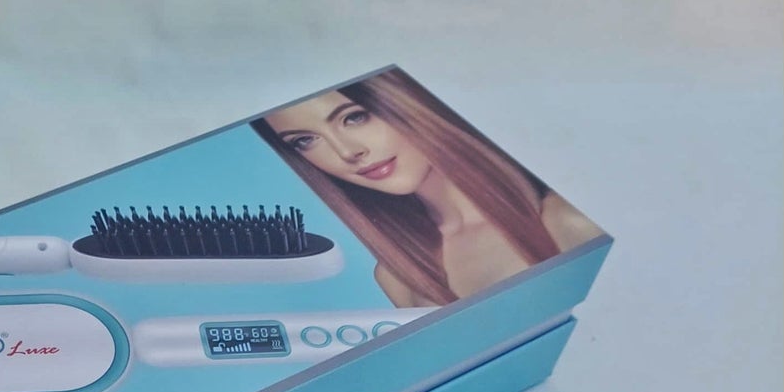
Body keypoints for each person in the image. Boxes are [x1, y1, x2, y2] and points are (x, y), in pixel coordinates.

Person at [254, 69, 603, 306]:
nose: (346, 152)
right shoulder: (399, 277)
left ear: (403, 101)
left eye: (354, 117)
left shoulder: (563, 221)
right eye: (305, 141)